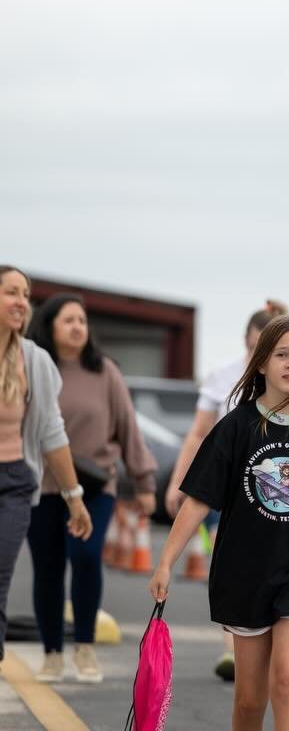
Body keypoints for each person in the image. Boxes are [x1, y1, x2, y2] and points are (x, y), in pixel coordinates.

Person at [150, 316, 289, 731]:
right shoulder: (235, 427)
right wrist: (165, 562)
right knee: (248, 700)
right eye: (282, 354)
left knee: (288, 678)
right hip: (244, 574)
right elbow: (198, 503)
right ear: (261, 363)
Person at [28, 292, 155, 683]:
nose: (78, 327)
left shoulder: (105, 372)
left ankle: (84, 648)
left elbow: (128, 428)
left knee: (85, 557)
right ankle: (51, 652)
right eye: (68, 320)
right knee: (47, 570)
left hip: (96, 486)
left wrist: (144, 479)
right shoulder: (34, 367)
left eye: (82, 320)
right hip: (43, 488)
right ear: (50, 326)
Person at [167, 299, 288, 682]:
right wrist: (178, 484)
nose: (258, 354)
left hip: (274, 488)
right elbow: (199, 433)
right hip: (228, 485)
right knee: (229, 552)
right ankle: (232, 647)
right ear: (245, 341)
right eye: (253, 346)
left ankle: (271, 643)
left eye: (266, 347)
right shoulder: (222, 376)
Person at [0, 265, 92, 665]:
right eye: (11, 292)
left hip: (14, 483)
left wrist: (74, 497)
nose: (21, 302)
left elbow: (53, 435)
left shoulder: (33, 361)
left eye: (25, 294)